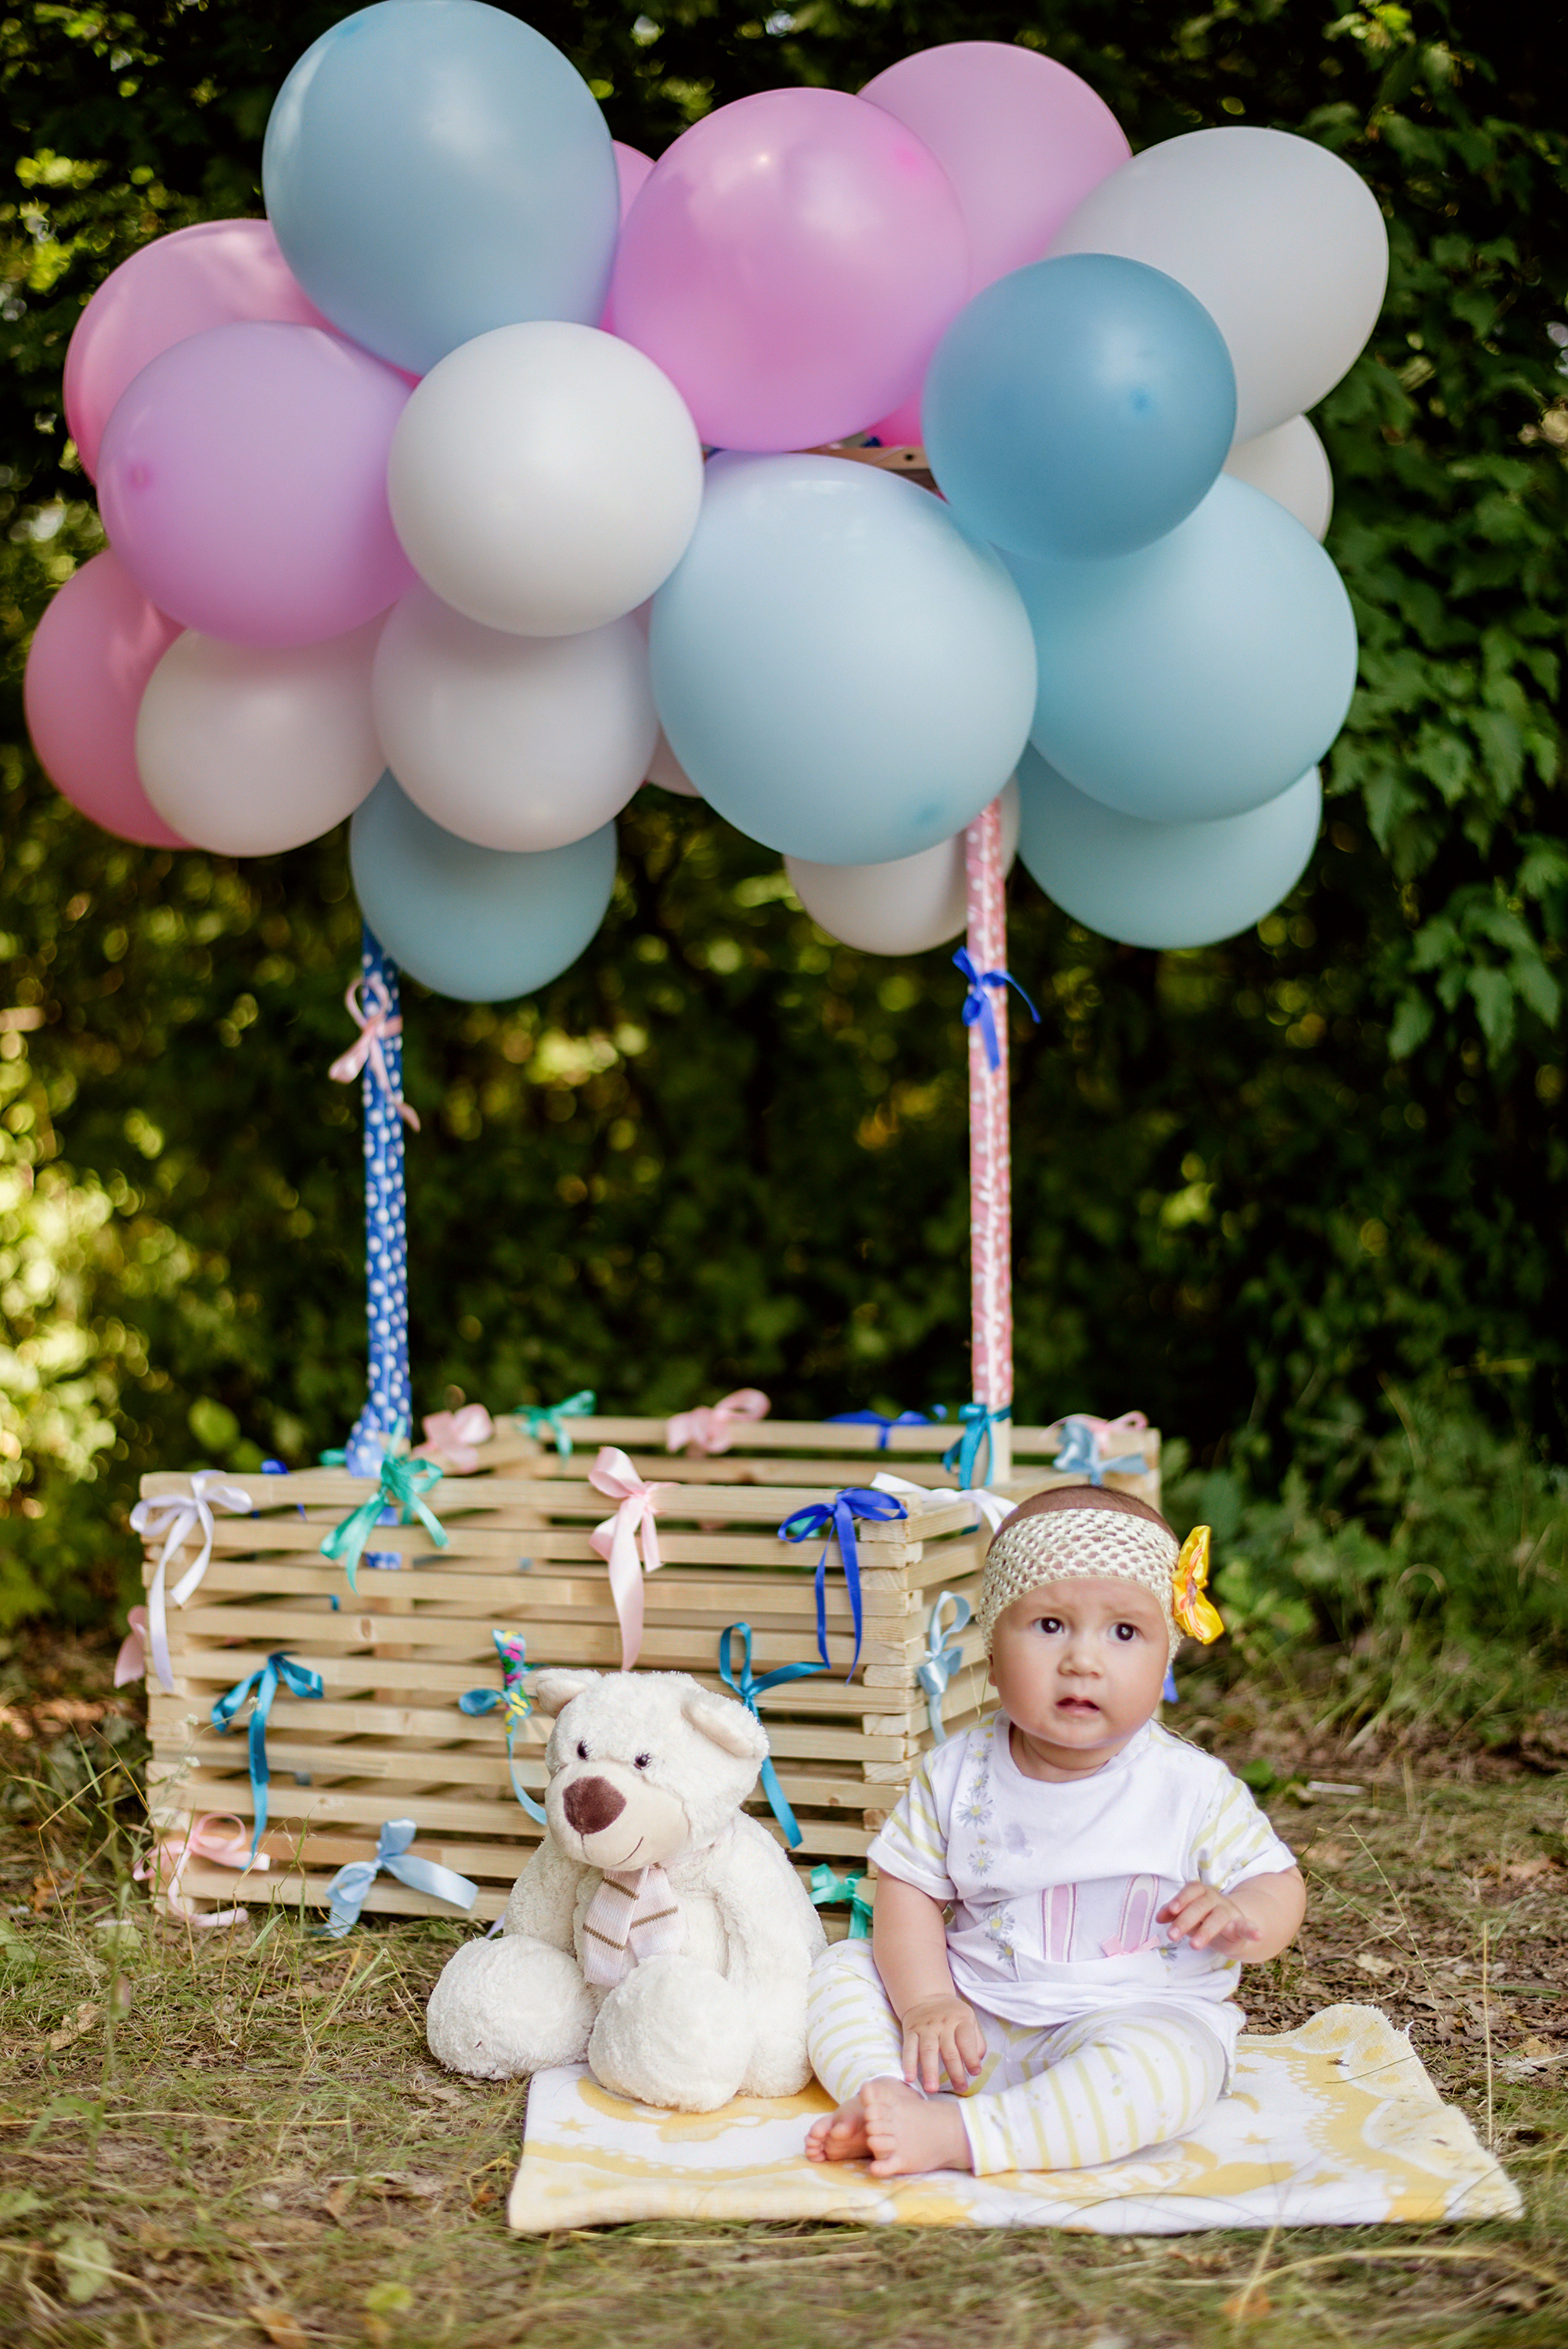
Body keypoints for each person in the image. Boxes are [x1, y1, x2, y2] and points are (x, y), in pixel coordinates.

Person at [805, 1483, 1306, 2178]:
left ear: (1166, 1656)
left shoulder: (1189, 1786)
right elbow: (908, 1890)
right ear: (991, 1641)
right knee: (842, 1970)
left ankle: (960, 2134)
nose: (1081, 1660)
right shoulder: (955, 1771)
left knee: (1166, 2069)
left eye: (1123, 1633)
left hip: (1130, 2015)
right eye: (1048, 1626)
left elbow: (1276, 1883)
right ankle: (882, 2091)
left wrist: (1242, 1915)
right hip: (970, 2023)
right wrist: (926, 2001)